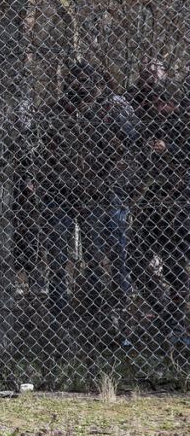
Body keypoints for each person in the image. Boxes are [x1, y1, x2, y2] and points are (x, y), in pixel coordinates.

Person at [41, 61, 139, 347]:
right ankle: (58, 324)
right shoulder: (54, 113)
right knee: (58, 258)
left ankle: (103, 319)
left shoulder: (112, 111)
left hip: (99, 193)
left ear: (97, 85)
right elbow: (39, 151)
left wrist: (115, 178)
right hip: (60, 192)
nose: (78, 87)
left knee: (99, 257)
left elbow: (135, 146)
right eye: (73, 82)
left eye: (85, 82)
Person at [133, 83, 189, 346]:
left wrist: (169, 150)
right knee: (135, 260)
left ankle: (175, 320)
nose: (156, 109)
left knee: (176, 268)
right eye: (152, 104)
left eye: (160, 103)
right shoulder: (148, 126)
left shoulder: (182, 125)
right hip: (152, 204)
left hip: (179, 206)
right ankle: (167, 316)